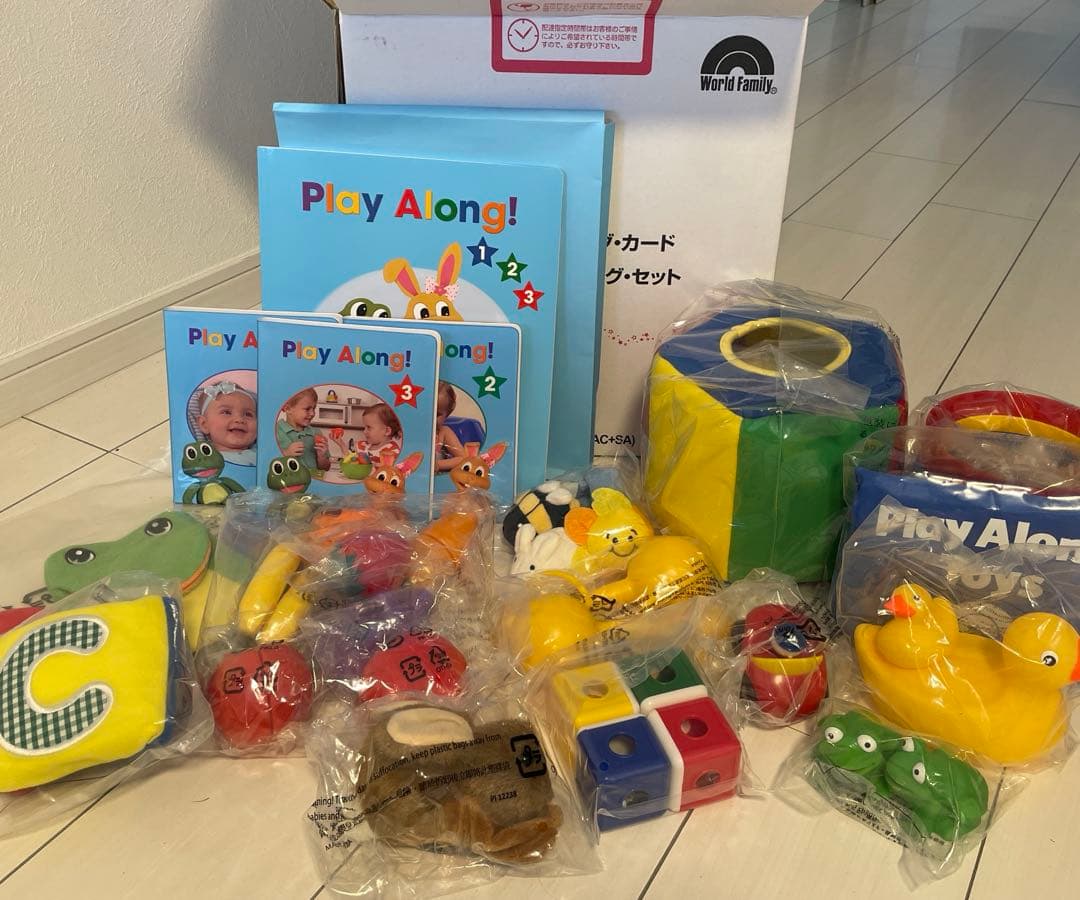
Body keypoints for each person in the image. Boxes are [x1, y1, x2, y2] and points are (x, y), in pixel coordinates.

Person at [195, 381, 257, 465]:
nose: (239, 419)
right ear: (204, 424)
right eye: (226, 412)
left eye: (248, 414)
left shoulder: (263, 453)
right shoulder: (203, 461)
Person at [276, 387, 330, 472]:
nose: (312, 413)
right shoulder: (276, 431)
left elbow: (326, 468)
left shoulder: (316, 433)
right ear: (288, 409)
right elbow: (268, 462)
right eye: (307, 409)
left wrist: (322, 456)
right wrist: (286, 453)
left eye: (314, 408)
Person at [435, 381, 467, 473]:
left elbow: (463, 459)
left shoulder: (444, 432)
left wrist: (437, 465)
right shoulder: (413, 432)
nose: (431, 418)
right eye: (426, 413)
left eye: (437, 414)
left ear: (447, 414)